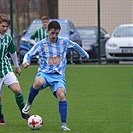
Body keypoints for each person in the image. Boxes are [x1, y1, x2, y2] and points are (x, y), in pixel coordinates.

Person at [22, 21, 89, 131]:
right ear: (47, 31)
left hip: (58, 76)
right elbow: (28, 54)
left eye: (57, 33)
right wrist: (26, 61)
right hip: (44, 73)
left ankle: (63, 124)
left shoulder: (64, 42)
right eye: (52, 33)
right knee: (38, 82)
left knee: (61, 95)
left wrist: (85, 54)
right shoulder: (41, 44)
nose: (54, 36)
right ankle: (28, 104)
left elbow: (75, 46)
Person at [0, 13, 30, 125]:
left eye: (7, 26)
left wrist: (17, 66)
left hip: (5, 68)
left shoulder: (8, 38)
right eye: (3, 26)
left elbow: (12, 52)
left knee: (17, 90)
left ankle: (24, 112)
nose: (5, 28)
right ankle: (0, 116)